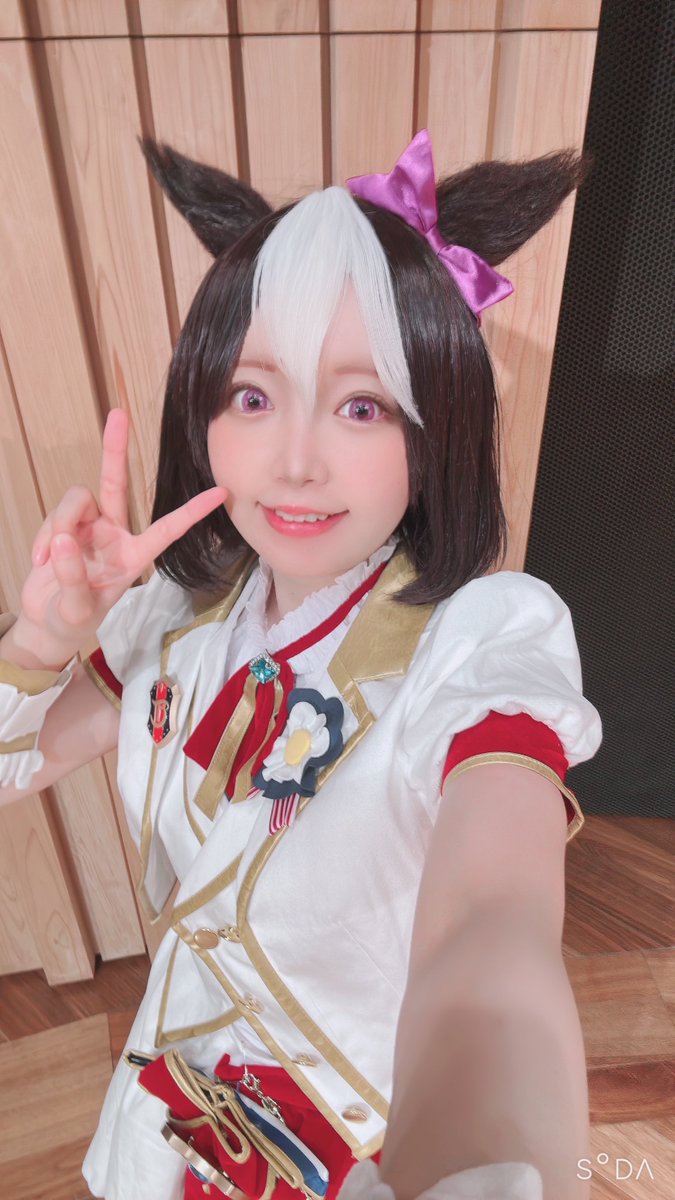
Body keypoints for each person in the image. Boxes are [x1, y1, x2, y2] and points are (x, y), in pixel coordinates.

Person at [0, 130, 602, 1200]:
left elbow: (493, 927)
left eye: (361, 406)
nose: (293, 462)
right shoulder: (176, 619)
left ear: (435, 430)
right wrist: (42, 643)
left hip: (341, 1158)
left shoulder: (476, 643)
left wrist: (479, 1158)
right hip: (153, 1125)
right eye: (253, 396)